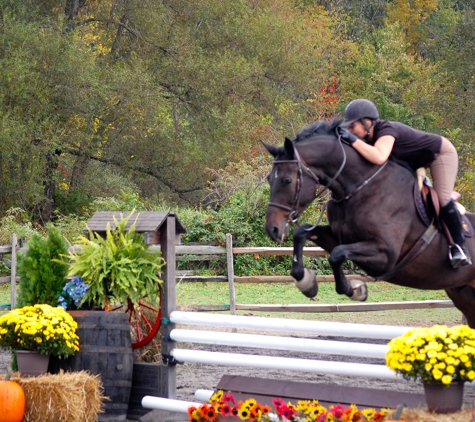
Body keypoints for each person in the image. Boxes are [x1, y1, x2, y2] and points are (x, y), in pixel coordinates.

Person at [337, 98, 471, 268]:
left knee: (442, 198)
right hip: (415, 163)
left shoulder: (386, 130)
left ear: (367, 122)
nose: (350, 130)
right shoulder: (368, 140)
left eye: (352, 126)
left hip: (440, 154)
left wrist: (352, 140)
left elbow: (379, 157)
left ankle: (459, 247)